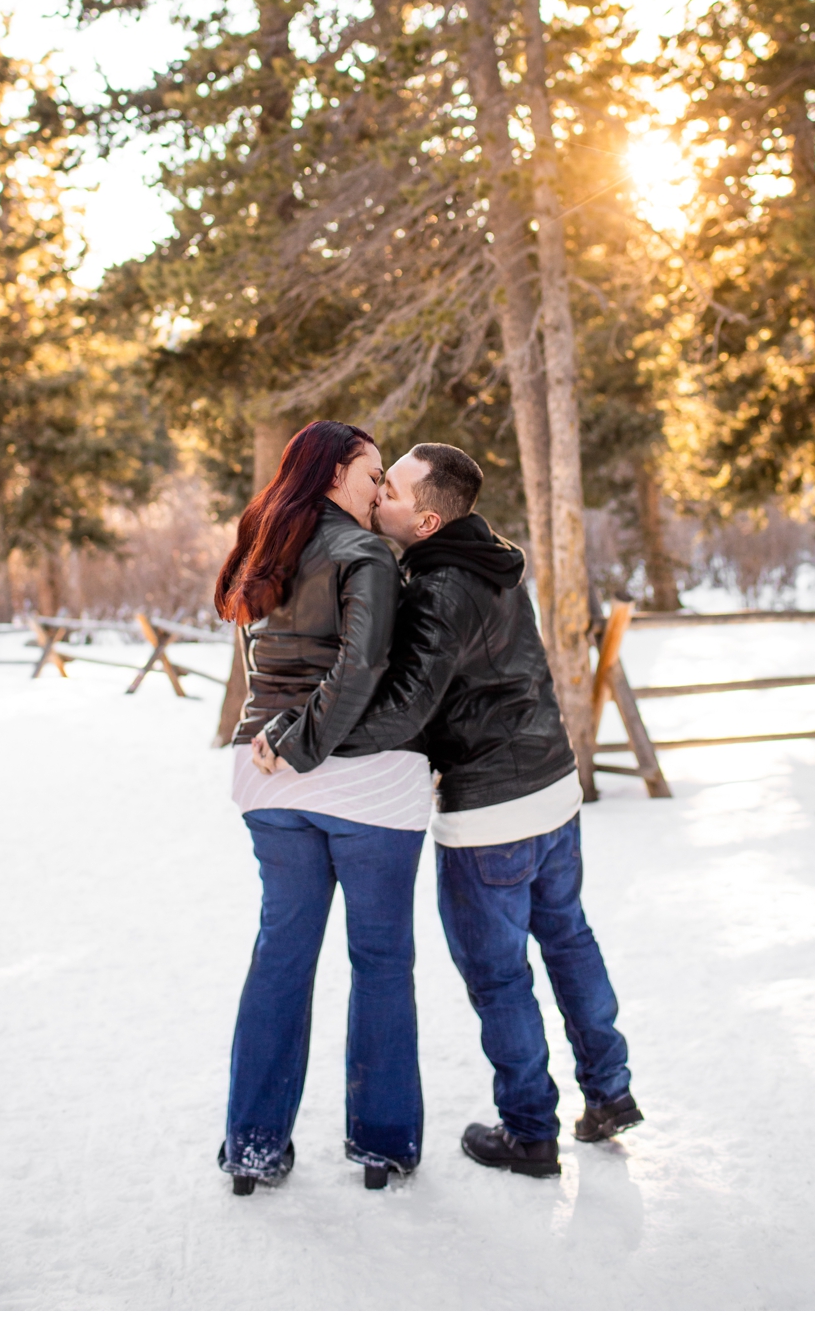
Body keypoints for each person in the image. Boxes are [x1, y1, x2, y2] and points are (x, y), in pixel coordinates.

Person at [265, 442, 641, 1178]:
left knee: (500, 977)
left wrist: (302, 739)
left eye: (394, 494)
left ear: (429, 519)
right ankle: (610, 1092)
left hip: (490, 813)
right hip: (553, 788)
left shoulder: (438, 589)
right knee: (570, 943)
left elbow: (405, 708)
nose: (379, 501)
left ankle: (530, 1131)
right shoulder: (495, 562)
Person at [214, 419, 428, 1195]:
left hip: (266, 781)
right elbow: (362, 664)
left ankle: (254, 1145)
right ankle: (382, 1144)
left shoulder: (262, 542)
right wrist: (302, 742)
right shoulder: (365, 552)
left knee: (281, 956)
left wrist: (275, 740)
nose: (380, 491)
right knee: (379, 961)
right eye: (373, 474)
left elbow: (261, 666)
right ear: (337, 471)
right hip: (359, 778)